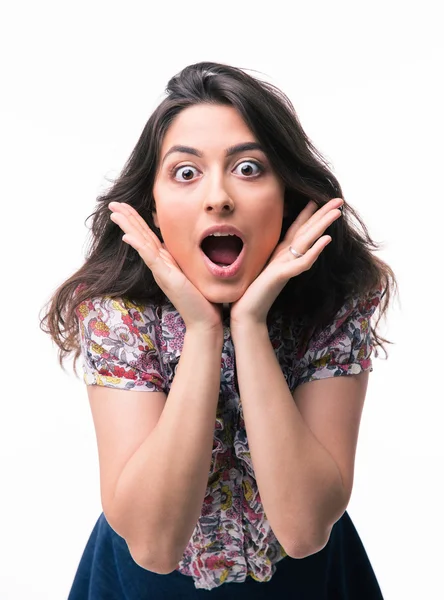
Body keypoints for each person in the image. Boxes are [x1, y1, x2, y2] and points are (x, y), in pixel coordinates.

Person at [40, 61, 397, 598]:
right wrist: (204, 332)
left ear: (288, 196)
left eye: (249, 168)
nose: (219, 197)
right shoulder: (115, 314)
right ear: (155, 208)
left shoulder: (333, 303)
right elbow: (155, 546)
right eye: (186, 172)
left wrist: (249, 325)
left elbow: (303, 531)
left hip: (313, 582)